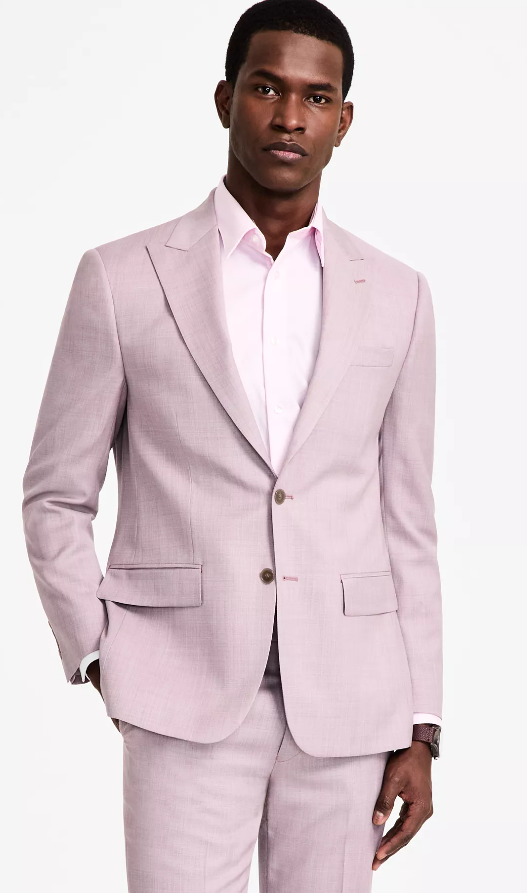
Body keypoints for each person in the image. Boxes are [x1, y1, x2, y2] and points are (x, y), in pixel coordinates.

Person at [22, 1, 443, 890]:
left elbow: (407, 517)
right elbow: (56, 494)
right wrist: (98, 652)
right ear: (224, 100)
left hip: (350, 704)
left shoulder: (398, 294)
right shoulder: (122, 278)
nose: (290, 117)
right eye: (266, 88)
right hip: (180, 688)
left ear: (343, 120)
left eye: (316, 98)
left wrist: (421, 723)